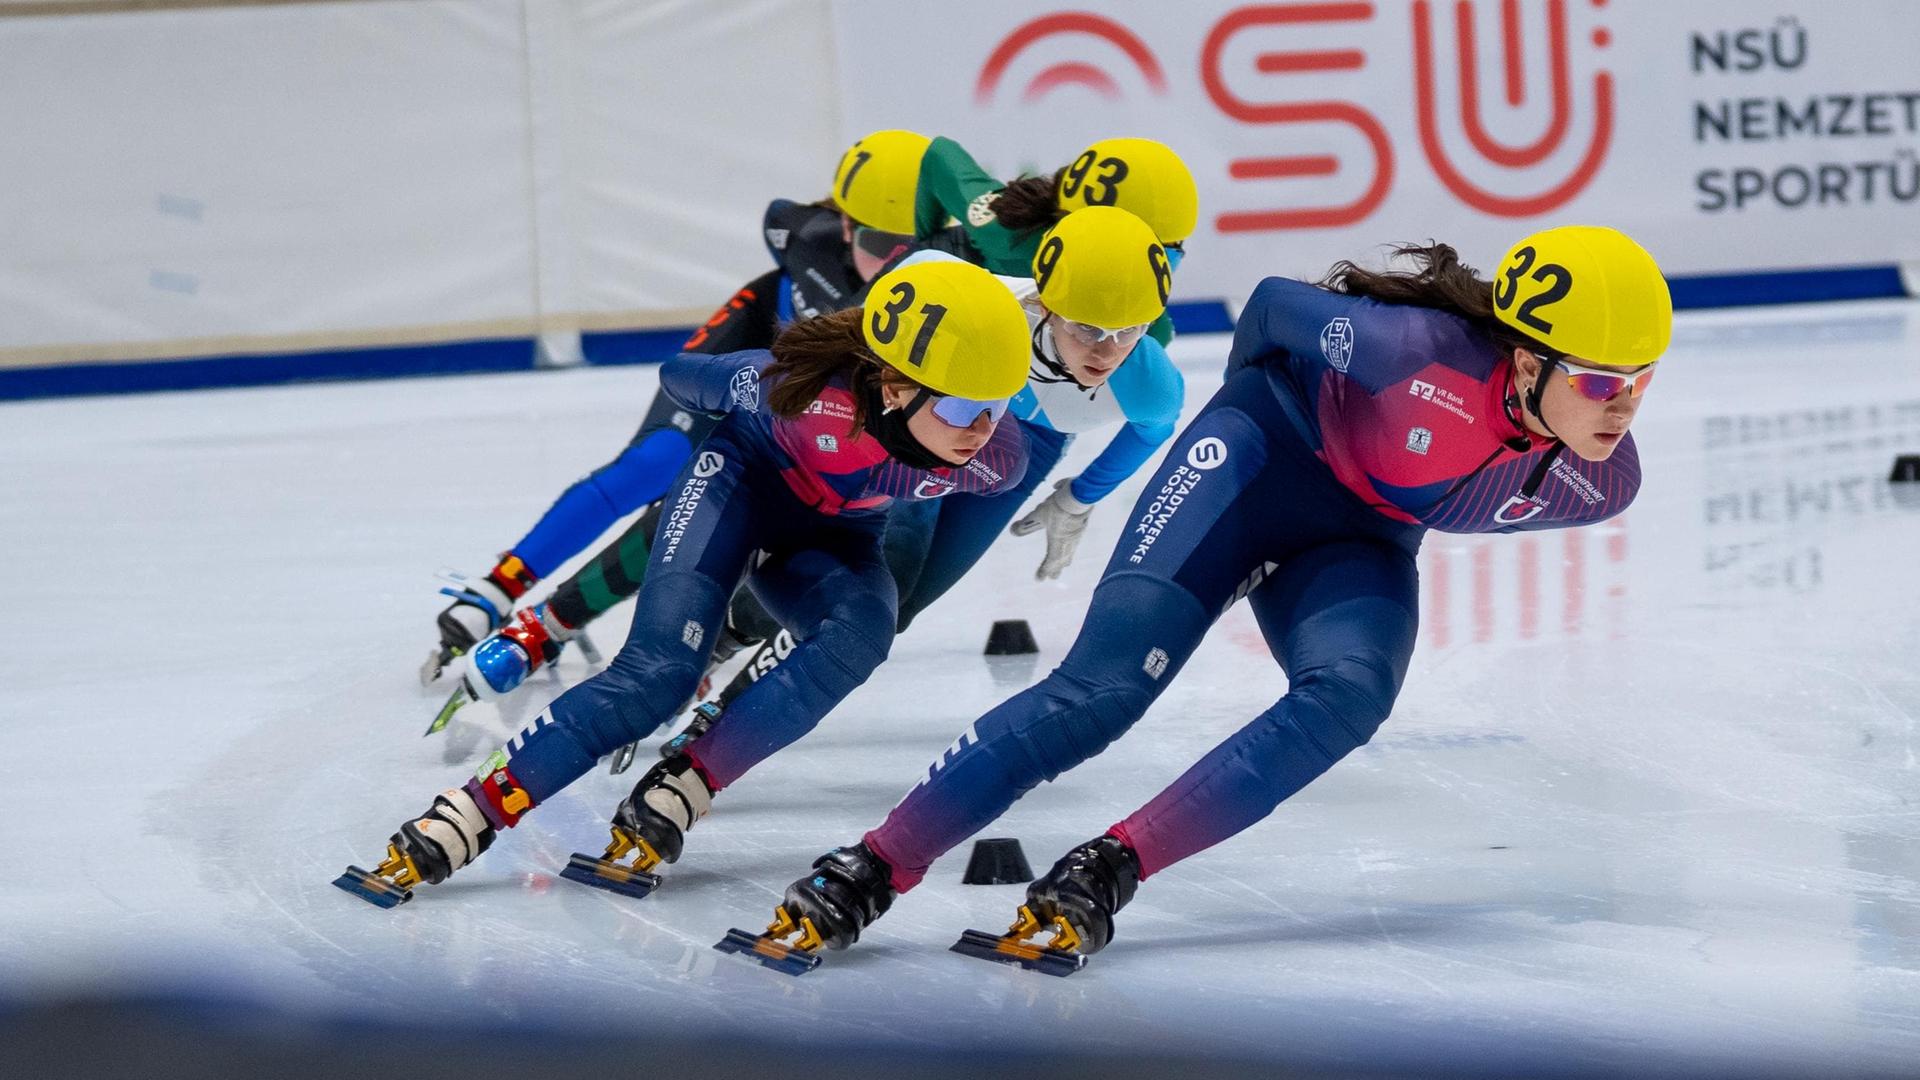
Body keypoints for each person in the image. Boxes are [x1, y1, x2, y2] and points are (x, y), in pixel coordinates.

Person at [741, 225, 1673, 964]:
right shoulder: (1406, 348)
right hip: (1253, 462)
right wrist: (1235, 433)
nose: (1622, 408)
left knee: (1352, 696)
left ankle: (1105, 870)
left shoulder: (1602, 481)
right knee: (1105, 692)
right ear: (1521, 362)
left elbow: (1451, 491)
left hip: (1356, 538)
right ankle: (870, 866)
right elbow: (1269, 311)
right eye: (1600, 382)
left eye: (1639, 382)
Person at [338, 258, 1034, 906]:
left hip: (830, 538)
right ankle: (473, 809)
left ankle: (683, 785)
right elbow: (679, 374)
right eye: (960, 408)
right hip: (735, 488)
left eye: (996, 406)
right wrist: (757, 379)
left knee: (864, 634)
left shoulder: (997, 458)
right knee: (658, 677)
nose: (979, 428)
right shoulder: (796, 392)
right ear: (893, 386)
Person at [420, 130, 933, 686]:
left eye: (911, 246)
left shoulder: (931, 287)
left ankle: (575, 619)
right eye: (881, 243)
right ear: (847, 223)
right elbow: (776, 218)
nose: (892, 263)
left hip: (805, 393)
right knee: (653, 462)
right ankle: (499, 587)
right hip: (751, 342)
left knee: (735, 501)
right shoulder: (804, 233)